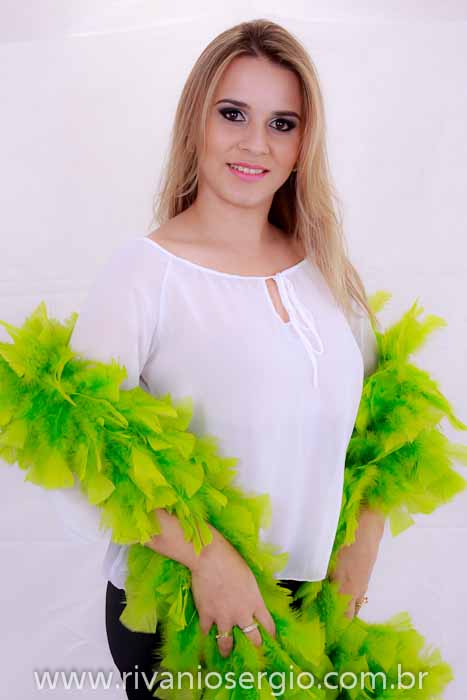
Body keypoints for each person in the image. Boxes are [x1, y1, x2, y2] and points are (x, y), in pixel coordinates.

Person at [49, 18, 385, 699]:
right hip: (190, 611)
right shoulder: (146, 273)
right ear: (195, 122)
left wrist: (363, 543)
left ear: (303, 144)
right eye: (232, 114)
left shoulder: (325, 270)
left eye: (282, 123)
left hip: (307, 606)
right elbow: (77, 450)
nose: (255, 143)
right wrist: (209, 559)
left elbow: (382, 421)